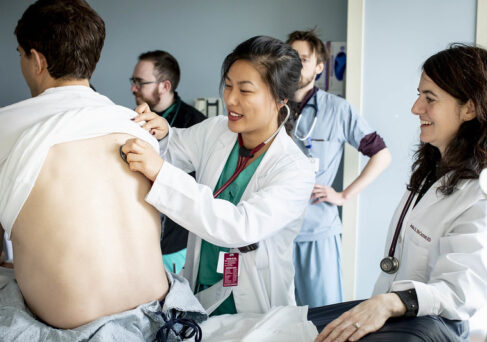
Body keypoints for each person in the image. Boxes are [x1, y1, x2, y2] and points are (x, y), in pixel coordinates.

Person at [0, 1, 205, 340]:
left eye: (21, 54)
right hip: (161, 320)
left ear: (36, 60)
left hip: (77, 332)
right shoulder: (138, 127)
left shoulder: (7, 129)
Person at [311, 44, 487, 342]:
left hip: (439, 327)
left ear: (469, 108)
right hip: (401, 316)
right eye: (419, 95)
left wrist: (393, 301)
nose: (416, 108)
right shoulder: (436, 164)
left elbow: (463, 290)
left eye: (429, 98)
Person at [121, 35, 316, 316]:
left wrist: (161, 173)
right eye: (227, 86)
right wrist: (160, 132)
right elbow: (174, 146)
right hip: (201, 290)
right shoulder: (216, 130)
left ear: (279, 98)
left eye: (245, 91)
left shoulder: (294, 170)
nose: (230, 99)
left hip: (254, 307)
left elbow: (239, 227)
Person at [286, 29, 392, 308]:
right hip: (273, 230)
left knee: (324, 316)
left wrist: (344, 196)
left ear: (319, 67)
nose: (295, 65)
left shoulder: (338, 110)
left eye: (304, 59)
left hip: (316, 231)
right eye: (290, 57)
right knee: (275, 319)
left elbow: (381, 154)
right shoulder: (270, 106)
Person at [131, 50, 206, 274]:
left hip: (175, 243)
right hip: (140, 239)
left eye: (139, 82)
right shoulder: (134, 119)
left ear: (164, 86)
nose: (133, 88)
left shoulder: (194, 125)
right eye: (133, 81)